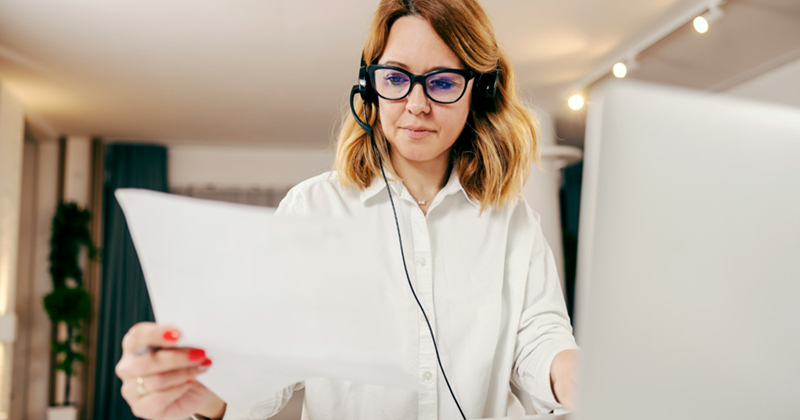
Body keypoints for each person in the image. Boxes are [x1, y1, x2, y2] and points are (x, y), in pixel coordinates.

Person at [114, 0, 579, 419]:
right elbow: (266, 358)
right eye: (396, 79)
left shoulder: (514, 222)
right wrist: (203, 397)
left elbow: (541, 341)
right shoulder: (312, 208)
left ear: (480, 89)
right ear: (370, 87)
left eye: (441, 82)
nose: (417, 105)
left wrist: (574, 373)